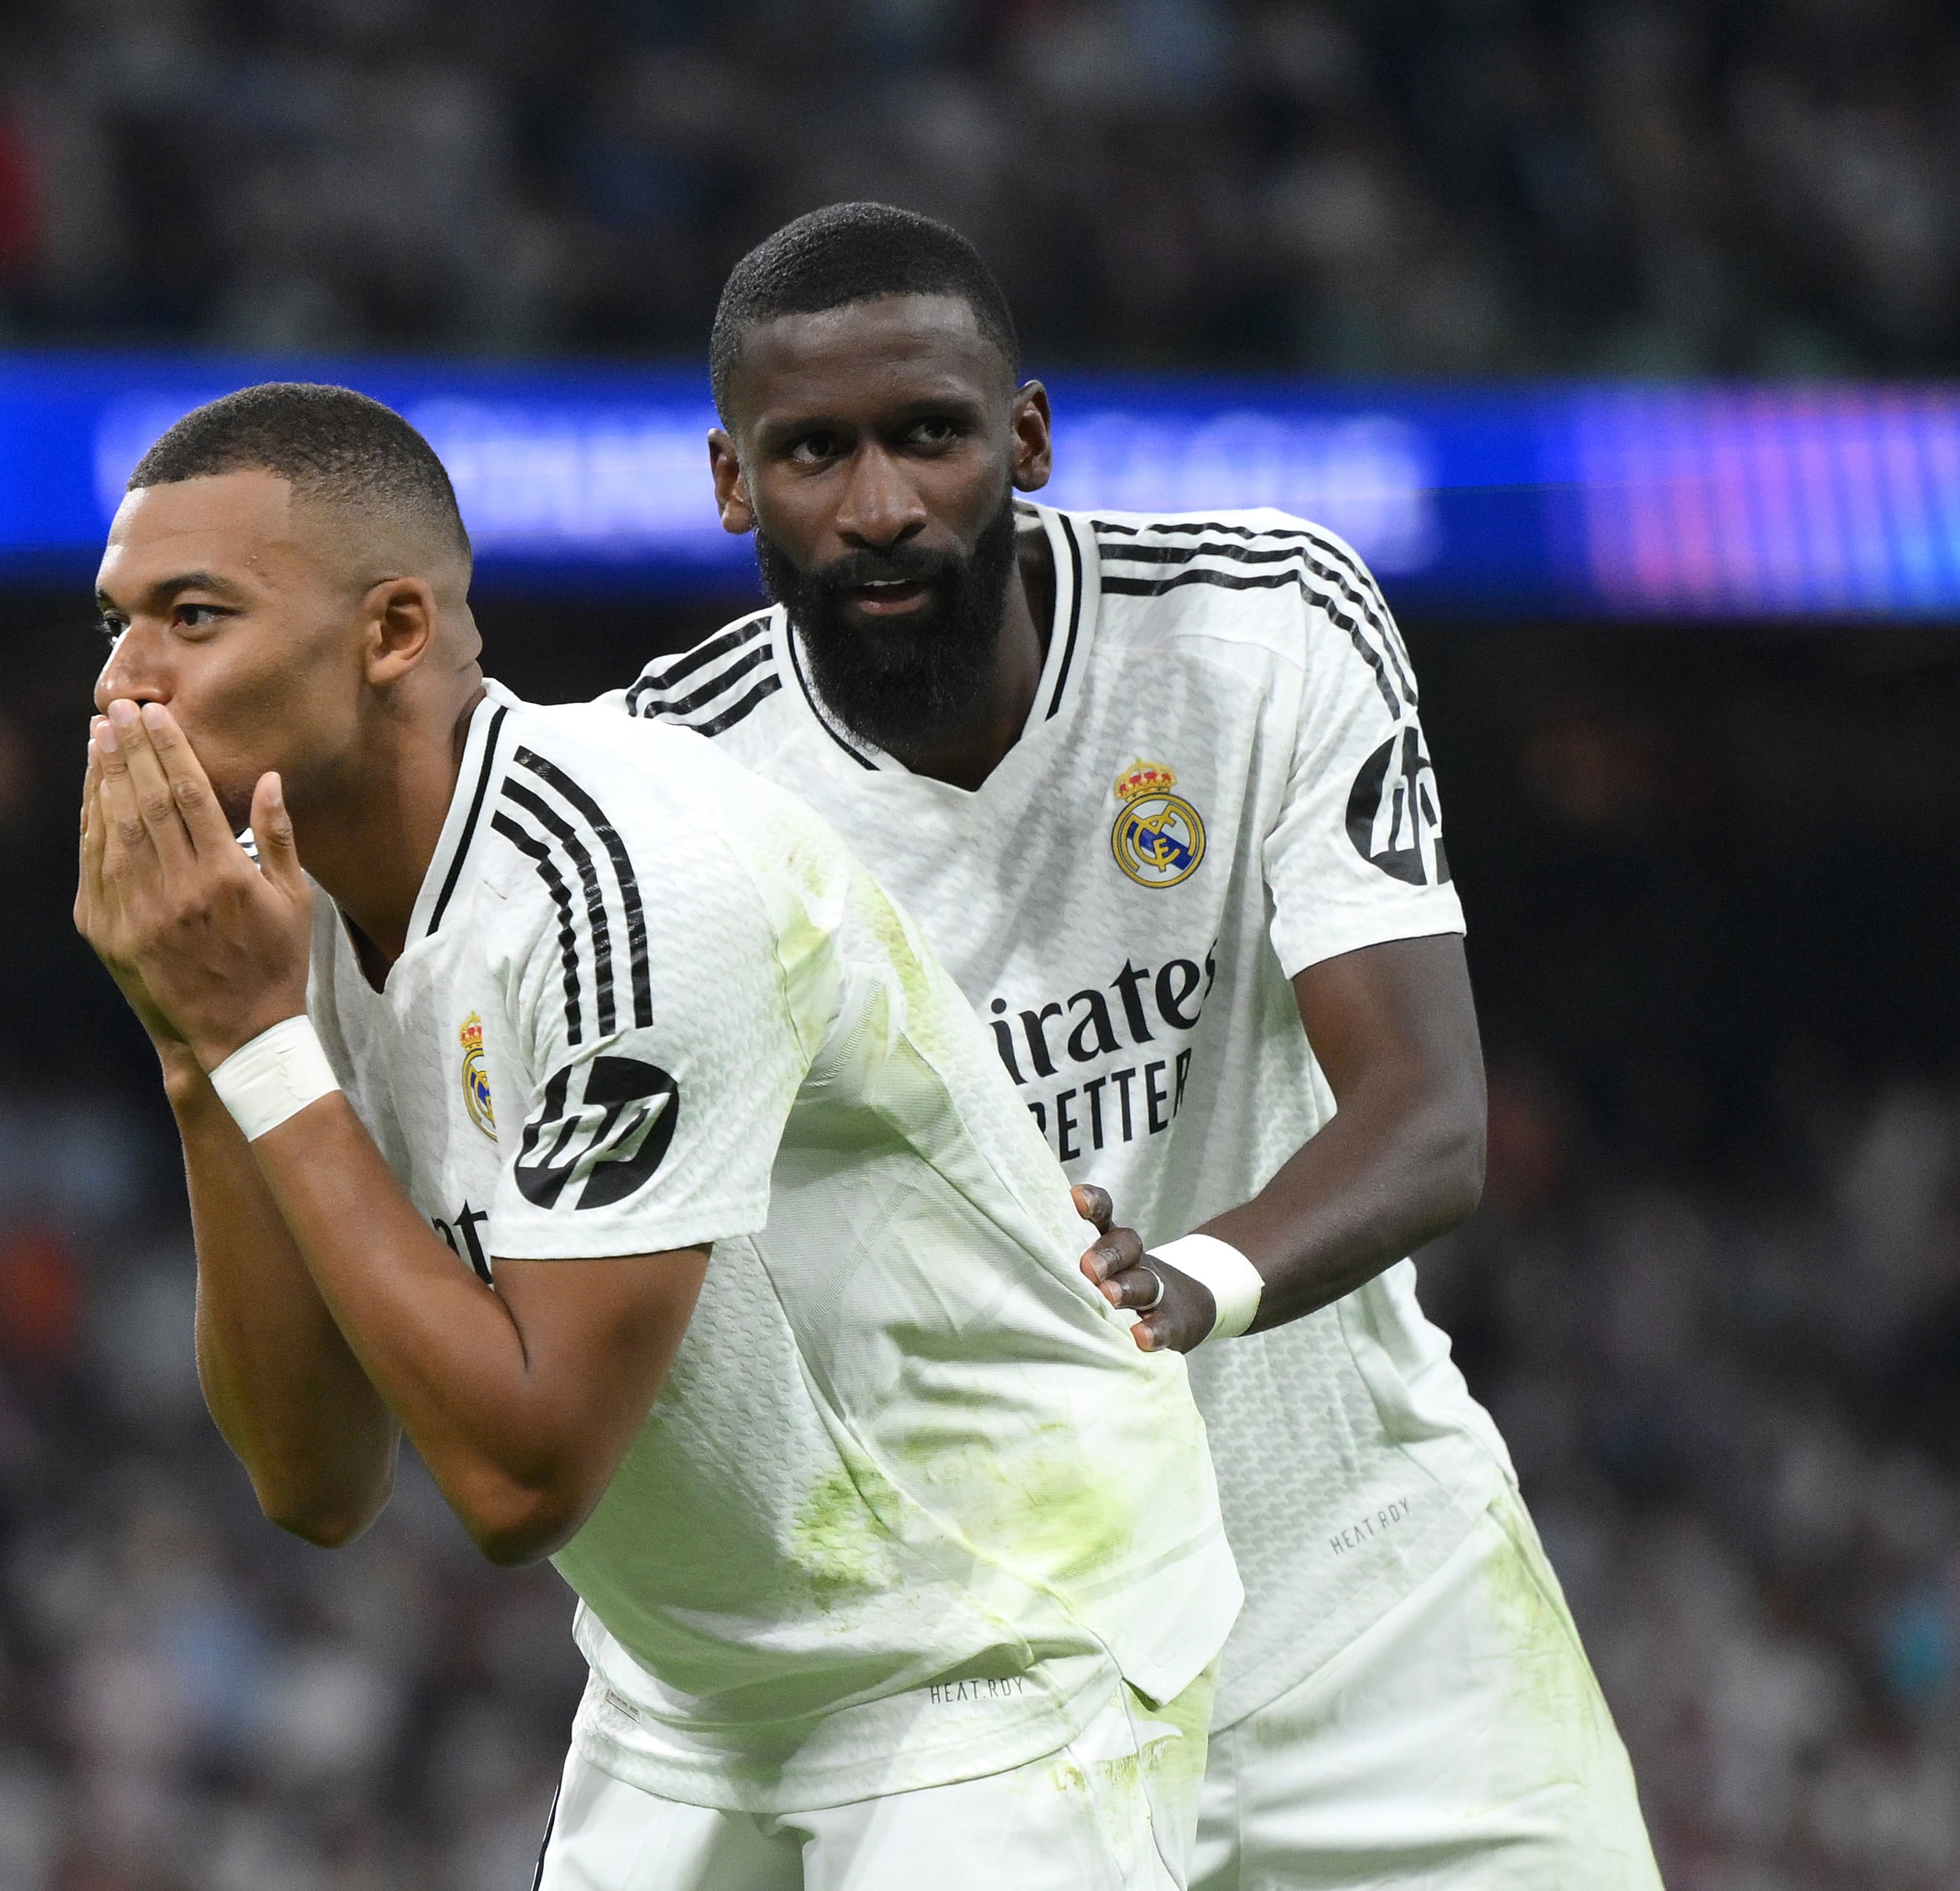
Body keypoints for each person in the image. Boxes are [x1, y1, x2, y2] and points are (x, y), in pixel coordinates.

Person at [75, 381, 1241, 1887]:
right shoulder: (268, 918)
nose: (125, 684)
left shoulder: (626, 887)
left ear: (392, 635)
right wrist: (197, 1055)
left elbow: (521, 1477)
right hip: (689, 1682)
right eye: (112, 626)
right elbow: (314, 1481)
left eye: (190, 615)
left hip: (996, 1638)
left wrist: (248, 1039)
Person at [618, 203, 1661, 1888]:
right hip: (966, 1680)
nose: (877, 505)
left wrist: (1175, 1283)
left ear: (1021, 437)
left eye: (928, 435)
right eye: (810, 451)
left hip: (1361, 1589)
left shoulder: (1256, 629)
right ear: (732, 484)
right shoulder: (665, 791)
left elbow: (1424, 1116)